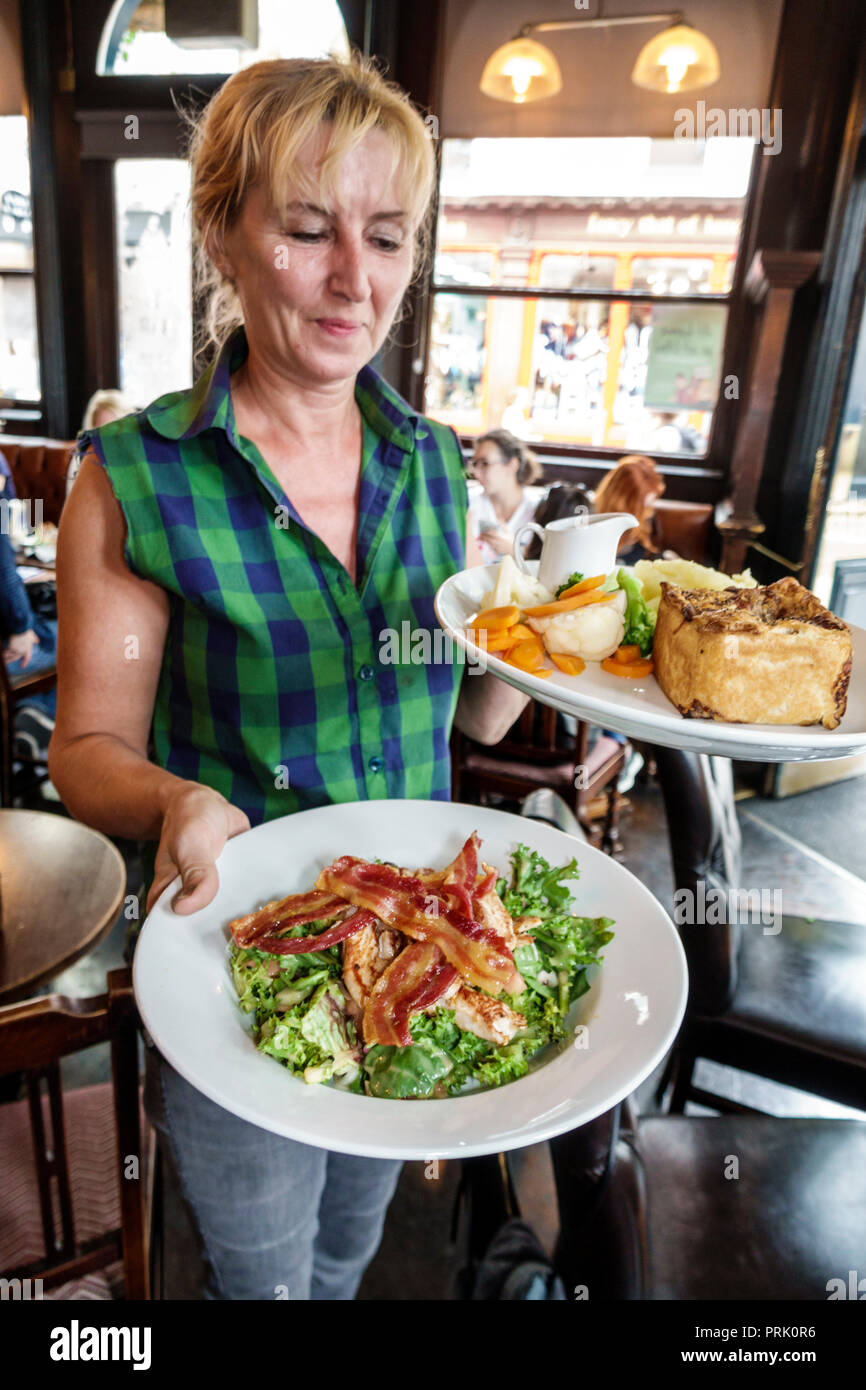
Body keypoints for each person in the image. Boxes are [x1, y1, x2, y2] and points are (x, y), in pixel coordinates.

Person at [49, 54, 529, 1302]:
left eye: (385, 236)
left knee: (350, 1248)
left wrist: (545, 645)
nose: (352, 280)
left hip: (415, 949)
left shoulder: (432, 462)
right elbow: (84, 749)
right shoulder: (134, 478)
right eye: (308, 230)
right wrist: (172, 804)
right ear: (222, 232)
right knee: (260, 1276)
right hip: (238, 971)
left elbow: (474, 707)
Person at [0, 528, 57, 757]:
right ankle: (39, 714)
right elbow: (4, 572)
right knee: (91, 640)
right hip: (9, 658)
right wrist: (22, 627)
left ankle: (33, 718)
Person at [468, 428, 545, 564]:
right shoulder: (469, 504)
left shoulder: (539, 510)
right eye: (475, 464)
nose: (476, 473)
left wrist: (516, 550)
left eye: (485, 464)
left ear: (512, 465)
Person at [592, 454, 667, 565]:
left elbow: (652, 556)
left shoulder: (649, 519)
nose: (648, 511)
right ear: (623, 500)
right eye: (641, 505)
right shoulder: (589, 521)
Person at [65, 389, 137, 496]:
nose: (110, 437)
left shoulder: (140, 457)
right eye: (103, 430)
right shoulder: (81, 460)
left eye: (116, 427)